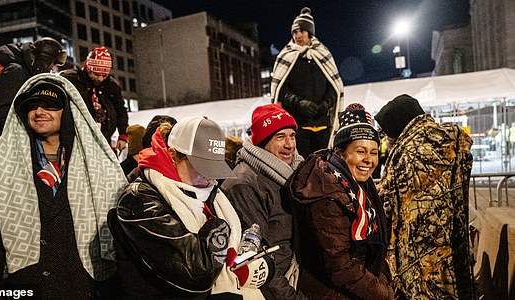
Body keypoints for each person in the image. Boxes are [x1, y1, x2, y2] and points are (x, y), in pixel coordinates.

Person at [0, 74, 128, 299]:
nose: (39, 111)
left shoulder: (98, 164)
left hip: (88, 285)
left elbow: (120, 234)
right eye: (32, 106)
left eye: (50, 105)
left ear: (67, 111)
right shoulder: (0, 166)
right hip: (27, 286)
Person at [108, 116, 272, 299]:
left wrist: (262, 266)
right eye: (202, 166)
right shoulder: (140, 199)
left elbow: (255, 241)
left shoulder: (209, 193)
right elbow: (195, 271)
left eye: (214, 167)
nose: (211, 177)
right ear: (173, 155)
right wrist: (219, 228)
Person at [374, 94, 476, 300]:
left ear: (398, 124)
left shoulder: (406, 152)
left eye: (387, 132)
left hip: (418, 258)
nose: (387, 139)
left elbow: (384, 204)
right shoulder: (453, 141)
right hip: (453, 247)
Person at [287, 103, 393, 299]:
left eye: (374, 152)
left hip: (356, 285)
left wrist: (384, 279)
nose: (369, 159)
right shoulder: (328, 192)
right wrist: (384, 292)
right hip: (330, 292)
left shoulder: (359, 183)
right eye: (361, 151)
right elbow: (340, 267)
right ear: (341, 152)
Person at [221, 104, 305, 299]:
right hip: (271, 290)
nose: (290, 144)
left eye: (292, 136)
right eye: (280, 137)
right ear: (263, 141)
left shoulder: (291, 176)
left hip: (293, 275)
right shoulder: (245, 184)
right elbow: (255, 260)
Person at [271, 7, 344, 158]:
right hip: (298, 125)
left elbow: (334, 87)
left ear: (310, 33)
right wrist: (299, 103)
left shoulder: (323, 54)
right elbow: (280, 90)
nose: (298, 35)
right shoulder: (287, 56)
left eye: (302, 31)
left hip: (322, 124)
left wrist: (325, 103)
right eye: (295, 32)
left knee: (322, 165)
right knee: (301, 165)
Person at [0, 37, 67, 164]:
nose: (51, 69)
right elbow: (3, 112)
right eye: (51, 64)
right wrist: (33, 124)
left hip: (14, 147)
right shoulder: (16, 72)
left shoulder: (26, 73)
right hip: (4, 150)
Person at [61, 46, 129, 152]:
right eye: (97, 74)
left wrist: (123, 135)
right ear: (88, 68)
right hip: (77, 140)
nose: (100, 79)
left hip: (105, 139)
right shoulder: (70, 79)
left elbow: (121, 110)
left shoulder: (112, 85)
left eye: (104, 75)